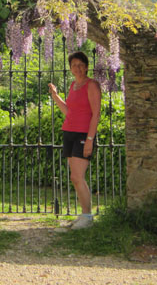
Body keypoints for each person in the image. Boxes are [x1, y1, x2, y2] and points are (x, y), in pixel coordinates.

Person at [48, 51, 101, 230]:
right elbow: (69, 112)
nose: (77, 68)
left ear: (86, 67)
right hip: (69, 132)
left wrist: (90, 139)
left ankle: (87, 216)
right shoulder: (73, 86)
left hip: (83, 135)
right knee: (75, 177)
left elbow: (96, 115)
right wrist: (55, 96)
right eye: (74, 65)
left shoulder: (91, 85)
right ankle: (84, 214)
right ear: (70, 69)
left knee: (77, 176)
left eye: (80, 65)